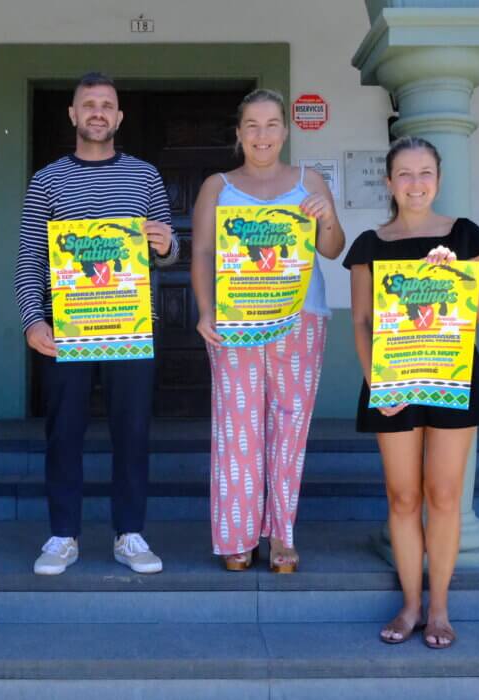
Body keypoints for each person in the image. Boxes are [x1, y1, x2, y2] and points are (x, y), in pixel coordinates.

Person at [15, 72, 179, 576]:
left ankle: (130, 534)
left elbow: (170, 251)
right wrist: (32, 320)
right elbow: (30, 258)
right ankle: (62, 535)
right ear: (73, 114)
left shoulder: (145, 176)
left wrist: (166, 244)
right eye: (88, 104)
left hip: (130, 326)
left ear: (119, 116)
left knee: (132, 431)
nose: (98, 112)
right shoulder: (46, 180)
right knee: (64, 432)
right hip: (65, 328)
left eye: (107, 105)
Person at [343, 136, 479, 649]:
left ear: (439, 178)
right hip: (393, 380)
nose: (416, 183)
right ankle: (410, 605)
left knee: (444, 495)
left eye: (425, 172)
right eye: (405, 174)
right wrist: (376, 382)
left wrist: (454, 276)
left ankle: (439, 610)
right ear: (389, 182)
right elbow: (361, 322)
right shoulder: (370, 244)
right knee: (404, 497)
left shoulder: (464, 235)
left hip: (453, 375)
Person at [191, 89, 345, 572]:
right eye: (252, 126)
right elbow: (202, 252)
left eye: (272, 124)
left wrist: (326, 219)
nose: (262, 135)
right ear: (239, 133)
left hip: (301, 317)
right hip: (236, 319)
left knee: (290, 427)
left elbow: (333, 249)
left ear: (285, 130)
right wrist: (205, 311)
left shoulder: (309, 181)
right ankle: (237, 536)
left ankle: (282, 535)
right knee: (236, 427)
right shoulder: (217, 186)